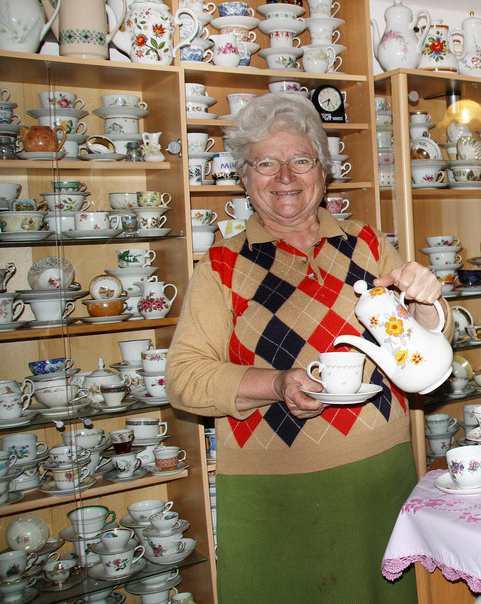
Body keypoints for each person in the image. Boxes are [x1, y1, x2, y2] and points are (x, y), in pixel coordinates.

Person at [167, 92, 449, 602]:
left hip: (380, 480)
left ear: (323, 170)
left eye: (300, 160)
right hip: (274, 497)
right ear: (245, 178)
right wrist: (276, 384)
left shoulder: (365, 244)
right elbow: (184, 379)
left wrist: (428, 304)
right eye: (265, 163)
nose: (285, 177)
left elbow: (420, 349)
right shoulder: (222, 265)